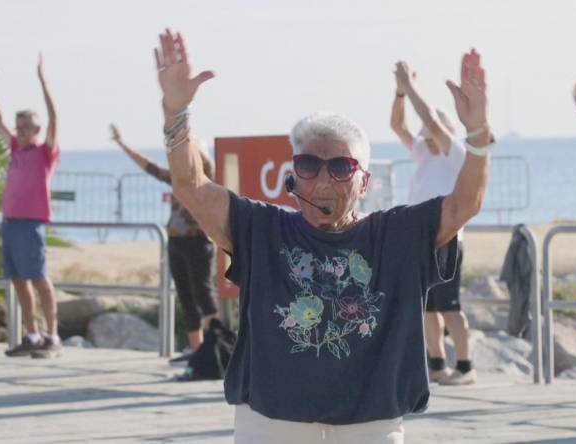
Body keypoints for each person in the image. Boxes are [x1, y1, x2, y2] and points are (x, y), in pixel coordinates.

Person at [154, 28, 493, 443]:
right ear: (293, 174)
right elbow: (191, 187)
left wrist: (477, 135)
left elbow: (464, 204)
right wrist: (176, 111)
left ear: (364, 181)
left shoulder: (396, 234)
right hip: (271, 423)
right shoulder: (260, 228)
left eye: (341, 168)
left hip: (371, 424)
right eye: (309, 164)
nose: (324, 180)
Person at [390, 61, 477, 386]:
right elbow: (398, 125)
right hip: (421, 240)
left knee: (451, 307)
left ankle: (466, 366)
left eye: (432, 134)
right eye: (425, 136)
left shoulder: (455, 153)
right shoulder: (425, 154)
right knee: (427, 308)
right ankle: (437, 364)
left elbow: (429, 120)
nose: (426, 138)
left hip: (449, 238)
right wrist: (400, 92)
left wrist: (411, 86)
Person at [110, 124, 218, 364]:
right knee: (186, 296)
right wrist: (122, 143)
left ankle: (217, 345)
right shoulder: (178, 178)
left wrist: (185, 139)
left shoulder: (207, 175)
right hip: (176, 241)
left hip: (199, 241)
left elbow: (202, 159)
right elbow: (148, 166)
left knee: (204, 293)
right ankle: (195, 348)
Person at [0, 54, 62, 358]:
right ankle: (32, 336)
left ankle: (53, 336)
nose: (21, 131)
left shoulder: (44, 152)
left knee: (39, 279)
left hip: (29, 224)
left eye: (27, 127)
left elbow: (55, 119)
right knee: (19, 281)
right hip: (9, 225)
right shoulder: (14, 149)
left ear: (36, 130)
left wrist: (43, 81)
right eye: (18, 126)